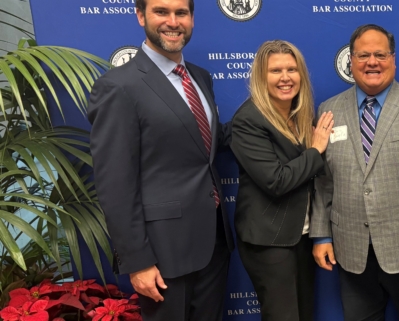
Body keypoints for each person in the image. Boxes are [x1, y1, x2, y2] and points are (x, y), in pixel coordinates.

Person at [87, 0, 233, 320]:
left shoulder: (201, 78)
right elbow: (114, 184)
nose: (173, 21)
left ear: (192, 19)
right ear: (141, 16)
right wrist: (137, 261)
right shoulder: (118, 86)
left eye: (181, 13)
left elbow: (204, 145)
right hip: (162, 254)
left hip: (213, 243)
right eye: (161, 12)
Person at [310, 24, 399, 321]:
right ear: (351, 61)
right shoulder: (329, 109)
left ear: (393, 60)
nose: (371, 62)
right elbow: (323, 181)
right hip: (351, 253)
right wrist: (321, 235)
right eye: (363, 55)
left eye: (379, 54)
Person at [229, 40, 333, 321]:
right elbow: (276, 181)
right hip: (269, 239)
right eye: (275, 71)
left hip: (299, 235)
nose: (285, 77)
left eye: (292, 69)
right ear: (261, 78)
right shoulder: (249, 119)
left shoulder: (299, 115)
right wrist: (316, 150)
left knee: (303, 314)